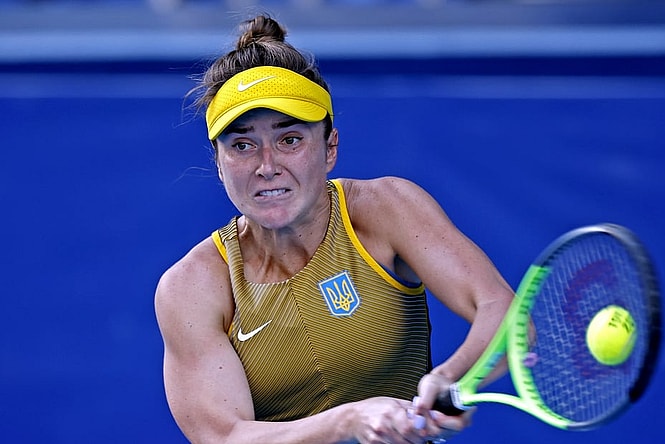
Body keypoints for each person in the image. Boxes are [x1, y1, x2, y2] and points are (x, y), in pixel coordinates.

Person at [154, 12, 514, 444]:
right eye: (243, 145)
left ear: (329, 149)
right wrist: (349, 421)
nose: (267, 166)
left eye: (290, 139)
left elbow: (502, 310)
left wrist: (449, 379)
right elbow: (225, 437)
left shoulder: (386, 209)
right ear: (219, 164)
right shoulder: (190, 287)